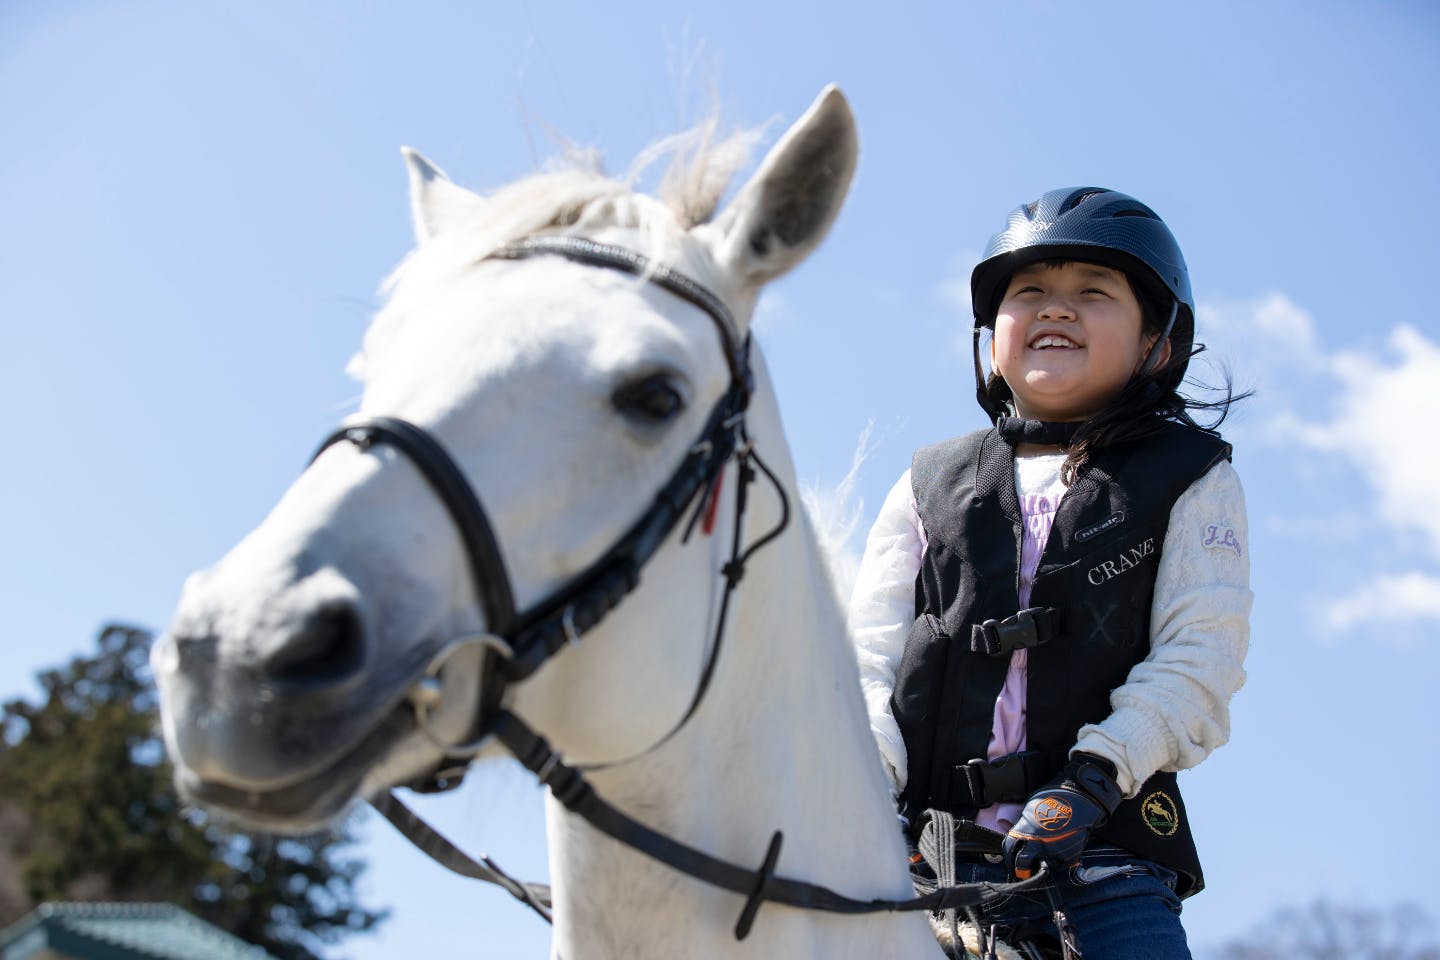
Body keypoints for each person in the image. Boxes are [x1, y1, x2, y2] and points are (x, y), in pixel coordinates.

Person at [849, 187, 1250, 959]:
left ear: (1157, 345)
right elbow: (866, 652)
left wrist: (1092, 780)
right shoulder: (926, 482)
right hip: (920, 861)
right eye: (1029, 291)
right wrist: (868, 786)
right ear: (990, 334)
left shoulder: (1191, 477)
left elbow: (1199, 658)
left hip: (1106, 860)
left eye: (1093, 293)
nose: (1056, 309)